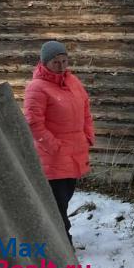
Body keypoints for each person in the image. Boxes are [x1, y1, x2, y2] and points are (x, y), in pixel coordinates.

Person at [24, 40, 95, 243]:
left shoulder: (72, 82)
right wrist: (54, 146)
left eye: (64, 61)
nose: (62, 66)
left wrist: (88, 135)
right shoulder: (37, 88)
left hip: (74, 152)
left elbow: (86, 111)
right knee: (57, 203)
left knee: (65, 197)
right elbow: (33, 123)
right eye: (56, 62)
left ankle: (54, 239)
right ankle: (62, 243)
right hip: (52, 155)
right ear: (44, 63)